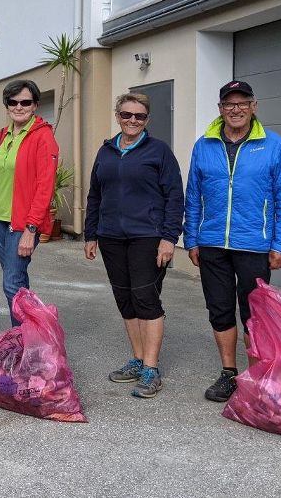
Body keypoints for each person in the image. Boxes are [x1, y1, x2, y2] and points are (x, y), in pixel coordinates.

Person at [184, 80, 281, 402]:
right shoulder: (204, 145)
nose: (235, 109)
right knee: (219, 310)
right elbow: (193, 196)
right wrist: (191, 238)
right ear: (220, 109)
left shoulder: (273, 145)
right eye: (228, 104)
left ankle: (256, 375)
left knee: (254, 314)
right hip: (211, 245)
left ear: (254, 106)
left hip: (255, 245)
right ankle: (229, 373)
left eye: (242, 103)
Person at [83, 93, 184, 399]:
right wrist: (91, 234)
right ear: (118, 116)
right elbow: (95, 194)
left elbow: (175, 196)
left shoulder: (159, 152)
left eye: (139, 116)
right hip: (111, 236)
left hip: (147, 237)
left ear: (147, 120)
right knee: (125, 299)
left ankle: (152, 369)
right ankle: (138, 360)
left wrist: (169, 238)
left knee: (146, 298)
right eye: (127, 115)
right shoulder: (107, 151)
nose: (132, 121)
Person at [0, 79, 59, 325]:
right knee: (16, 281)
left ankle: (25, 339)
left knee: (12, 282)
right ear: (7, 105)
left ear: (35, 105)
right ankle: (29, 338)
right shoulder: (1, 136)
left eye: (25, 102)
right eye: (13, 102)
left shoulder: (43, 137)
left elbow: (45, 187)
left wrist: (31, 229)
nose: (19, 107)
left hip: (23, 223)